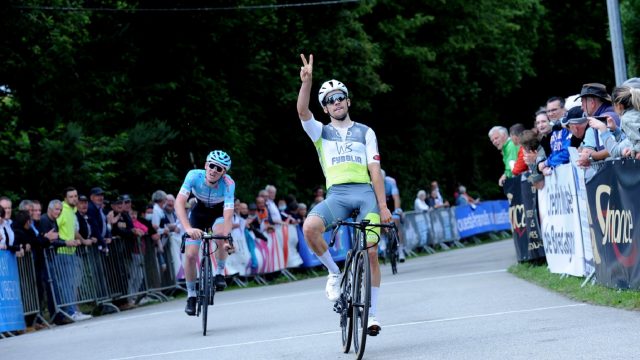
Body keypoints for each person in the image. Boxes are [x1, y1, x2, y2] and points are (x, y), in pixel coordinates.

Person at [296, 54, 391, 335]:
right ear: (325, 108)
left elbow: (375, 171)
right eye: (329, 100)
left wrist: (383, 206)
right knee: (310, 227)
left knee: (371, 252)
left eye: (340, 97)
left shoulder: (366, 131)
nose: (336, 102)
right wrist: (308, 82)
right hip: (336, 195)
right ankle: (334, 273)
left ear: (348, 101)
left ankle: (372, 315)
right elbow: (302, 111)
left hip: (365, 195)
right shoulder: (320, 132)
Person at [175, 150, 235, 316]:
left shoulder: (229, 184)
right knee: (190, 255)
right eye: (212, 165)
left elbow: (228, 213)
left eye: (220, 168)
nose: (214, 170)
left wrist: (227, 237)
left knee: (221, 234)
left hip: (218, 213)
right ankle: (191, 295)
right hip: (198, 214)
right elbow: (179, 203)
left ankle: (219, 272)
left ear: (224, 173)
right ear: (206, 165)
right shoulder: (194, 176)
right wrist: (188, 229)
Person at [56, 187, 92, 321]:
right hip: (62, 252)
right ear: (65, 199)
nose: (74, 198)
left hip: (71, 252)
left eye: (75, 196)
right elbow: (55, 226)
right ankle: (71, 312)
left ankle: (72, 311)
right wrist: (64, 242)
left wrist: (81, 240)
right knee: (66, 284)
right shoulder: (62, 210)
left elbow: (73, 230)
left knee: (70, 284)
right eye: (71, 196)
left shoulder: (72, 210)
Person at [589, 85, 640, 159]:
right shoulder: (635, 114)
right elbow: (629, 140)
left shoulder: (626, 119)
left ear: (619, 105)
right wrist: (615, 130)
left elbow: (615, 152)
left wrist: (603, 129)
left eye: (613, 105)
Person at [381, 169, 405, 262]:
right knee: (378, 220)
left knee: (396, 223)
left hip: (391, 203)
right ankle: (382, 239)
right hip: (381, 204)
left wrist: (397, 211)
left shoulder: (391, 182)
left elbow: (396, 198)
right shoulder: (373, 184)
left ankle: (400, 249)